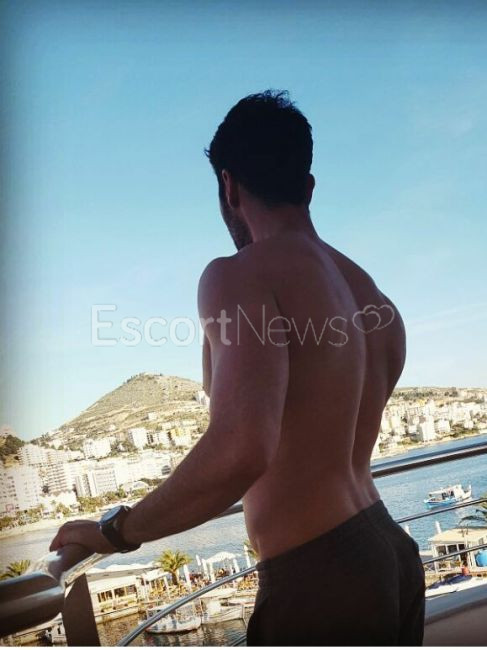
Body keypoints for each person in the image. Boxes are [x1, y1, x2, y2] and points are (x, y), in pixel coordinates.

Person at [50, 90, 425, 645]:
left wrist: (115, 531)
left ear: (228, 187)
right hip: (390, 551)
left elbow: (242, 448)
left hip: (321, 578)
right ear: (308, 186)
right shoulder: (373, 298)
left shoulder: (238, 275)